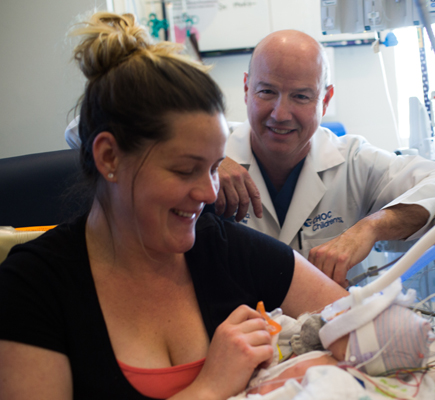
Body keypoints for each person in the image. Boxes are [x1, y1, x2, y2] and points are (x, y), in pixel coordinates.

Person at [0, 13, 348, 400]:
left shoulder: (223, 249)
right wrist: (210, 386)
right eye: (186, 170)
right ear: (109, 158)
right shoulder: (33, 287)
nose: (208, 193)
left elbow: (366, 325)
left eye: (216, 168)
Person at [216, 30, 435, 285]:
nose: (280, 114)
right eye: (267, 91)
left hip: (330, 322)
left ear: (325, 99)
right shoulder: (208, 150)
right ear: (247, 89)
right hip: (229, 323)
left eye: (301, 96)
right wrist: (204, 166)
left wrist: (370, 228)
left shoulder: (354, 161)